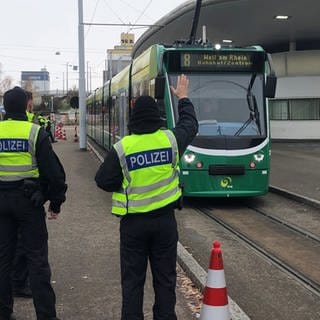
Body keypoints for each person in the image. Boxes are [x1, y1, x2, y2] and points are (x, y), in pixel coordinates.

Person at [95, 74, 198, 320]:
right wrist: (183, 98)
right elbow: (190, 125)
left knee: (132, 282)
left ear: (133, 118)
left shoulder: (123, 147)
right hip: (165, 223)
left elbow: (102, 180)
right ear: (157, 116)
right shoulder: (170, 140)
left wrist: (125, 181)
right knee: (165, 280)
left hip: (133, 226)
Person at [0, 86, 67, 320]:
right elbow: (54, 174)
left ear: (5, 107)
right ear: (26, 106)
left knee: (3, 262)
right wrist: (55, 202)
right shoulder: (35, 133)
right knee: (37, 261)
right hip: (28, 202)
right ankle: (46, 316)